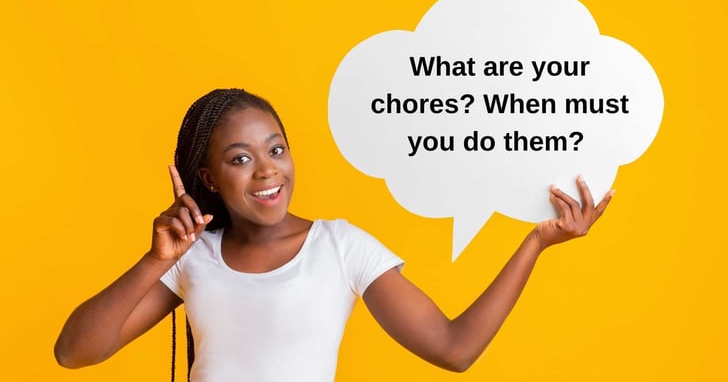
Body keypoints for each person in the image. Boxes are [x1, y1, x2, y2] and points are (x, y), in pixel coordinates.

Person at [54, 88, 613, 381]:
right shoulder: (191, 256)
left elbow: (454, 349)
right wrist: (155, 262)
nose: (268, 169)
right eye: (241, 158)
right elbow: (74, 353)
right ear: (208, 178)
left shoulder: (340, 247)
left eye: (276, 149)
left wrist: (535, 243)